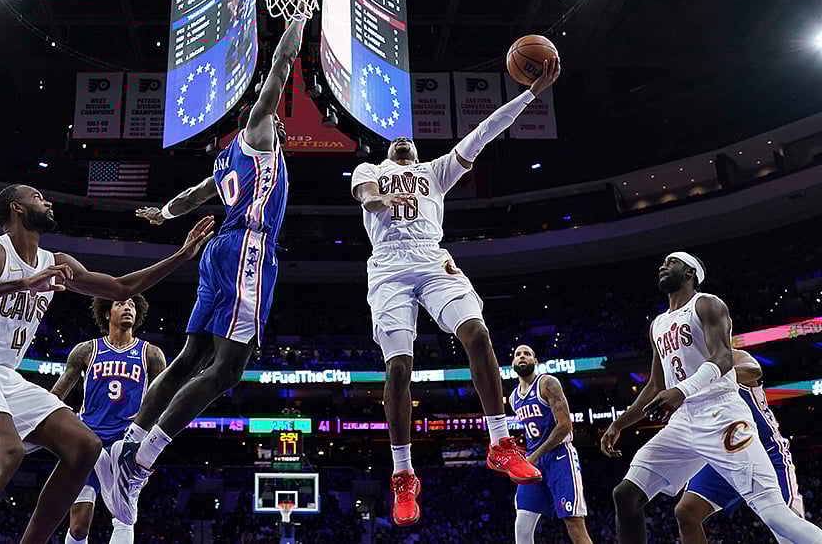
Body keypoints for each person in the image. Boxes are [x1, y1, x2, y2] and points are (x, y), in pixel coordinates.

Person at [99, 19, 304, 525]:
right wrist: (299, 16)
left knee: (191, 355)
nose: (281, 125)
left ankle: (127, 442)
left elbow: (191, 198)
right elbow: (278, 69)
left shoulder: (224, 165)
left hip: (219, 253)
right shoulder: (257, 135)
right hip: (247, 251)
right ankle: (140, 462)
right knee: (228, 367)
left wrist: (163, 214)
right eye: (276, 121)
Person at [0, 184, 213, 544]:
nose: (47, 200)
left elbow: (120, 287)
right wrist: (21, 282)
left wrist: (182, 255)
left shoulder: (55, 262)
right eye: (36, 197)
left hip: (3, 375)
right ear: (16, 209)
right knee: (7, 451)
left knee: (85, 447)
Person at [350, 58, 561, 525]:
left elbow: (486, 131)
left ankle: (500, 442)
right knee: (399, 368)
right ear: (388, 152)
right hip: (387, 267)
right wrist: (384, 198)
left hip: (431, 257)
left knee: (478, 335)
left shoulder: (437, 171)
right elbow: (363, 195)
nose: (404, 139)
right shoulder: (368, 168)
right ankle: (403, 475)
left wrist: (532, 93)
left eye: (410, 139)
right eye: (396, 139)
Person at [600, 252, 822, 544]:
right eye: (662, 263)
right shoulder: (657, 324)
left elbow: (723, 358)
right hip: (682, 423)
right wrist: (620, 424)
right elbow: (656, 384)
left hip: (721, 415)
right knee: (626, 495)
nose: (663, 266)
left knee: (776, 515)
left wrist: (682, 391)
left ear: (690, 272)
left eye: (671, 262)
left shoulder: (707, 303)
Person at [51, 295, 168, 544]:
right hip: (89, 439)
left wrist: (149, 420)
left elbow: (164, 396)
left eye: (132, 306)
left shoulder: (151, 353)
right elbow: (58, 394)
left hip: (127, 440)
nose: (128, 308)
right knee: (79, 525)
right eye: (121, 304)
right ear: (106, 313)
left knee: (123, 514)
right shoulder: (86, 350)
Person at [675, 349, 805, 544]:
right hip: (723, 455)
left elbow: (753, 370)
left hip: (765, 450)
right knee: (686, 512)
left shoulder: (732, 356)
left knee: (788, 531)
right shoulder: (681, 372)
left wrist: (706, 379)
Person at [509, 345, 592, 544]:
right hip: (533, 462)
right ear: (513, 363)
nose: (522, 356)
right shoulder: (513, 398)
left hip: (560, 457)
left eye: (527, 354)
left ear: (535, 361)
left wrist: (534, 455)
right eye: (518, 354)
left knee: (573, 523)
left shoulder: (547, 383)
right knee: (522, 526)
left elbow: (565, 426)